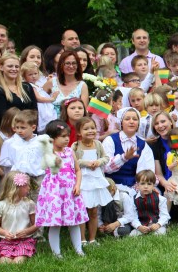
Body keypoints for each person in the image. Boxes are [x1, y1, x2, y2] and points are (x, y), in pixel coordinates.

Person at [36, 120, 87, 258]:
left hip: (70, 191)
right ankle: (56, 253)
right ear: (52, 138)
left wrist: (77, 185)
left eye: (68, 135)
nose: (67, 139)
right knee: (55, 223)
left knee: (74, 222)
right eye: (63, 136)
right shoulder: (48, 154)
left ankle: (79, 249)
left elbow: (77, 170)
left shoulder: (70, 152)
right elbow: (46, 166)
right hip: (55, 192)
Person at [72, 117, 113, 245]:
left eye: (93, 128)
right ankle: (82, 239)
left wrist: (99, 161)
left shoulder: (98, 144)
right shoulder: (76, 146)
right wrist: (86, 163)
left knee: (94, 211)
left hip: (95, 181)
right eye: (86, 129)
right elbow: (72, 161)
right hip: (82, 181)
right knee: (82, 210)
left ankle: (92, 238)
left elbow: (106, 157)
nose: (90, 131)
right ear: (79, 132)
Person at [103, 107, 156, 190]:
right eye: (127, 119)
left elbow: (146, 172)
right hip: (111, 186)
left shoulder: (143, 145)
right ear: (121, 123)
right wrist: (123, 158)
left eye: (135, 119)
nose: (131, 121)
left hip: (133, 186)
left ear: (138, 124)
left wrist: (137, 189)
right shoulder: (110, 140)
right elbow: (105, 168)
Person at [0, 171, 38, 264]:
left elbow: (36, 224)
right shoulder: (1, 205)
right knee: (4, 262)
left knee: (18, 262)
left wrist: (27, 231)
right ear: (15, 188)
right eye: (25, 186)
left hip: (24, 241)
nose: (29, 188)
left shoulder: (29, 204)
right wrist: (4, 233)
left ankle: (23, 253)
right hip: (7, 242)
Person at [44, 50, 89, 115]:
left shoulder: (82, 86)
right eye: (67, 63)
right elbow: (39, 102)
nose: (71, 66)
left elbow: (84, 112)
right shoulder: (51, 82)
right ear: (61, 65)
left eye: (74, 63)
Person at [128, 170, 170, 236]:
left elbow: (165, 215)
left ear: (153, 185)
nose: (146, 186)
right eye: (142, 183)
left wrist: (158, 224)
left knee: (160, 233)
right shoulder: (133, 199)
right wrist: (139, 226)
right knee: (132, 235)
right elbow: (132, 216)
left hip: (156, 224)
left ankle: (159, 230)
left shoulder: (160, 198)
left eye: (149, 184)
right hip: (142, 224)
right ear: (138, 185)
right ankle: (141, 230)